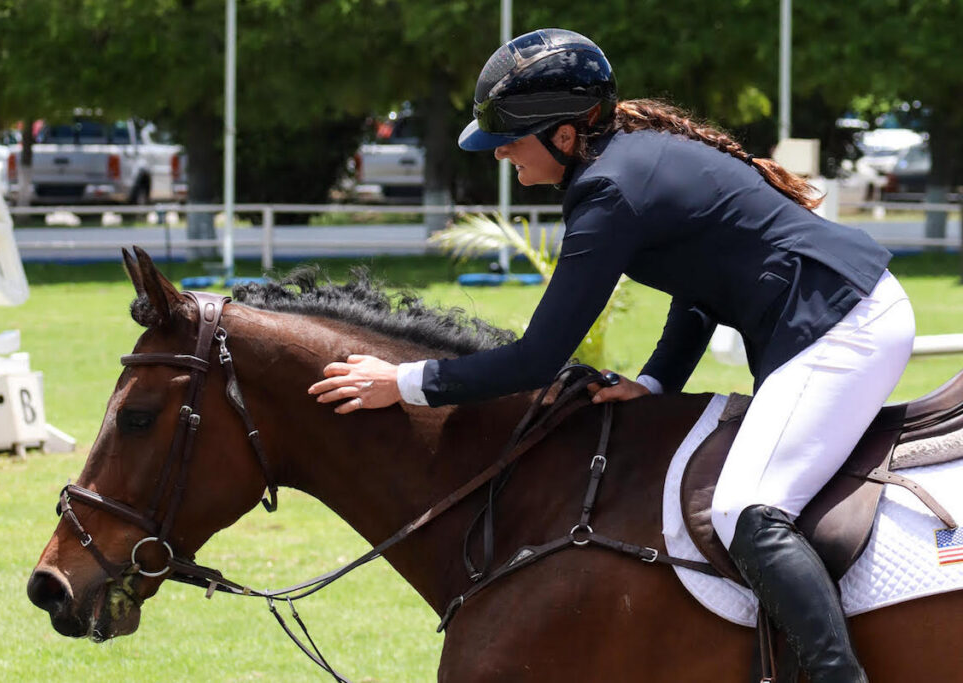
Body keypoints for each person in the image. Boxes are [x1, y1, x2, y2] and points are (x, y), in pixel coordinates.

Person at [308, 28, 914, 682]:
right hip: (835, 309)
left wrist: (403, 380)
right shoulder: (629, 162)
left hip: (843, 323)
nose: (501, 151)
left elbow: (538, 358)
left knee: (744, 507)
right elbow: (700, 286)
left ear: (566, 136)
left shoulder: (609, 192)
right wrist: (656, 382)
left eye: (510, 136)